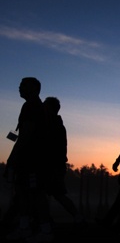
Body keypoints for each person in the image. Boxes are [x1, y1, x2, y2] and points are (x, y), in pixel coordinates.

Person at [5, 77, 53, 243]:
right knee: (24, 192)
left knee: (36, 194)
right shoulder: (32, 106)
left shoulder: (32, 107)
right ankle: (24, 228)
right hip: (29, 159)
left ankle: (45, 231)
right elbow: (22, 133)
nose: (19, 88)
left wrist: (12, 157)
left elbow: (25, 135)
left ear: (33, 88)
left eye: (23, 85)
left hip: (33, 160)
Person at [43, 97, 85, 226]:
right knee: (55, 194)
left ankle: (44, 222)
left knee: (55, 194)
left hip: (52, 166)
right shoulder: (56, 124)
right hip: (55, 165)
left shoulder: (52, 125)